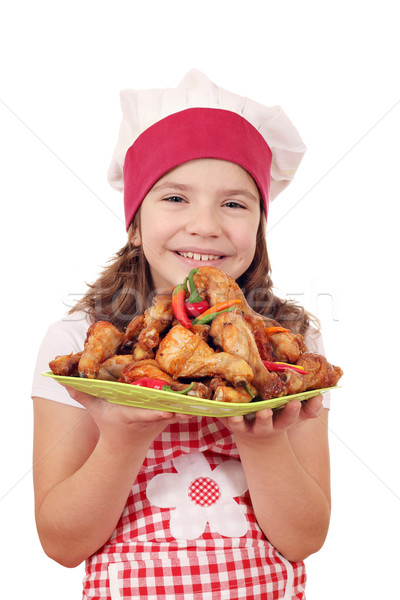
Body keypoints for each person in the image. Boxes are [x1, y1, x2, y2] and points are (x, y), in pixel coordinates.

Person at [32, 70, 331, 600]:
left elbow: (304, 538)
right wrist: (121, 440)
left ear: (260, 225)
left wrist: (261, 445)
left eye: (235, 204)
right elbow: (62, 544)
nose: (206, 224)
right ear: (135, 221)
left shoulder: (291, 344)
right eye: (174, 198)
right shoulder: (77, 344)